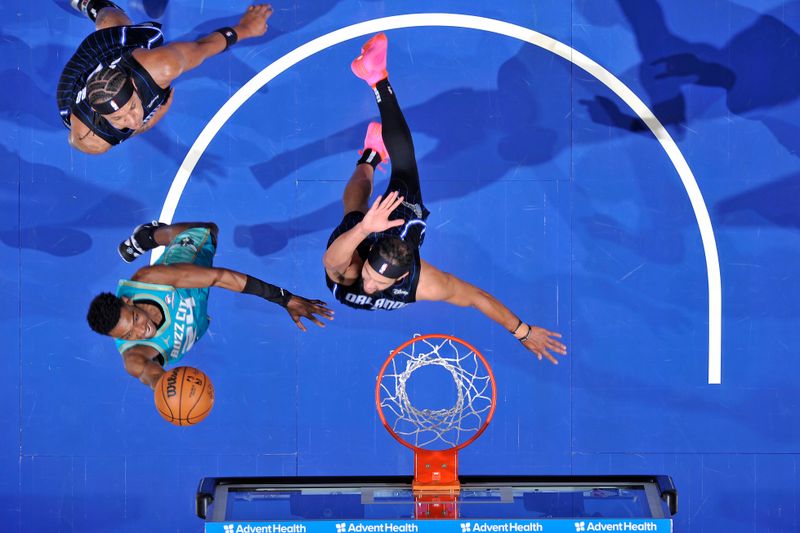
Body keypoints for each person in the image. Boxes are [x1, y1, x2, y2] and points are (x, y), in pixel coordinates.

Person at [323, 34, 567, 364]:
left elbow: (476, 297)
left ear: (402, 279)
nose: (368, 286)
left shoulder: (425, 284)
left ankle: (368, 155)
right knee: (386, 180)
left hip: (372, 233)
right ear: (366, 260)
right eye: (371, 275)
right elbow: (332, 262)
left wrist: (523, 331)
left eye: (378, 281)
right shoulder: (352, 269)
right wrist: (364, 230)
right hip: (369, 232)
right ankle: (376, 79)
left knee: (353, 209)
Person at [88, 221, 333, 388]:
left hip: (183, 279)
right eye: (128, 335)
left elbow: (220, 277)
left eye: (136, 320)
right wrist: (165, 388)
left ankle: (148, 236)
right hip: (192, 313)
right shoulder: (134, 354)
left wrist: (285, 299)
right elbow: (147, 372)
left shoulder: (149, 280)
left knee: (208, 230)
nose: (140, 332)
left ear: (128, 301)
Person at [58, 1, 273, 154]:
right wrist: (151, 121)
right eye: (119, 119)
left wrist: (245, 28)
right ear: (97, 112)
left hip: (109, 52)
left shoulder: (161, 66)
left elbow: (202, 47)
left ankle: (92, 4)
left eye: (132, 107)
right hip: (73, 84)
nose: (132, 121)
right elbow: (125, 133)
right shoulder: (90, 140)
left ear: (133, 83)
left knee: (115, 27)